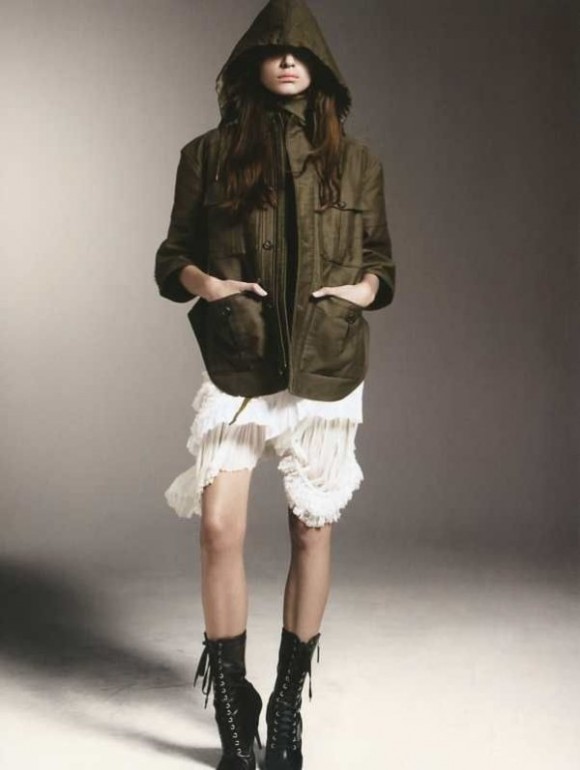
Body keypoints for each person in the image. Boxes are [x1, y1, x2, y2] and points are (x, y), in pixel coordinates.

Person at [154, 1, 395, 768]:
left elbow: (381, 265)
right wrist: (208, 285)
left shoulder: (357, 163)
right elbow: (171, 259)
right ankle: (234, 704)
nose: (289, 61)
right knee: (218, 528)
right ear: (251, 62)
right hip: (241, 360)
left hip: (325, 362)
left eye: (302, 53)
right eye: (275, 50)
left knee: (310, 530)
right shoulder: (206, 156)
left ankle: (287, 703)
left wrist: (360, 292)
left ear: (320, 67)